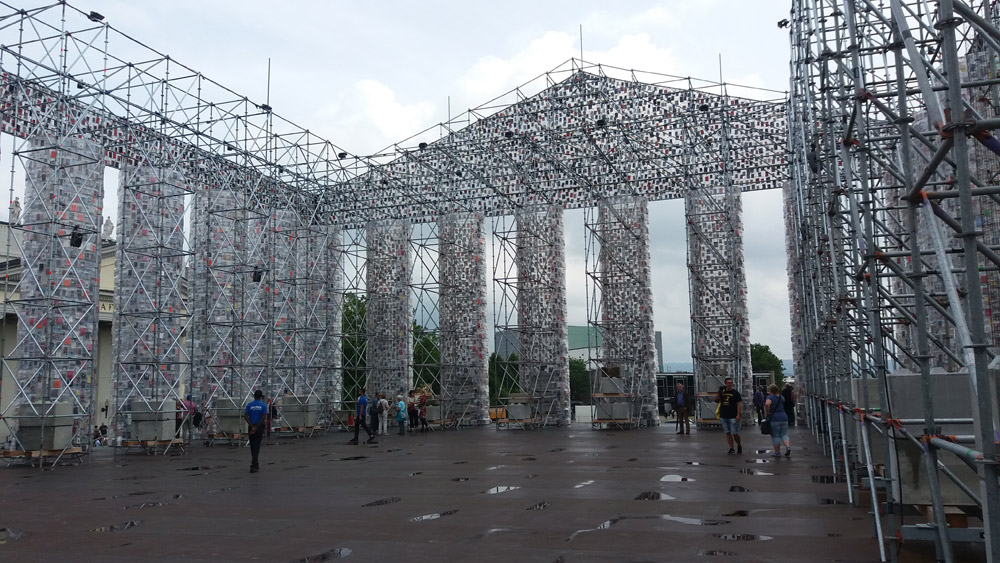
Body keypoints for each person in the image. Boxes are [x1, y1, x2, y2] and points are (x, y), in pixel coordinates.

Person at [716, 377, 743, 455]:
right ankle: (731, 448)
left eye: (731, 383)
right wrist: (719, 392)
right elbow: (715, 399)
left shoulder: (735, 393)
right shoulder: (722, 392)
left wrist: (738, 414)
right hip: (724, 415)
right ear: (725, 384)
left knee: (735, 433)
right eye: (728, 383)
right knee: (727, 432)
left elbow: (739, 404)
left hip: (733, 415)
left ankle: (739, 444)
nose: (730, 384)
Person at [243, 390, 268, 473]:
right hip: (259, 427)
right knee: (257, 446)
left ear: (254, 396)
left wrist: (252, 426)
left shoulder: (249, 405)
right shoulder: (263, 405)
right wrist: (256, 427)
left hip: (251, 426)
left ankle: (255, 464)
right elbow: (263, 417)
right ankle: (254, 465)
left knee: (253, 446)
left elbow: (245, 416)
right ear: (261, 397)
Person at [765, 384, 791, 457]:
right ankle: (788, 447)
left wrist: (767, 412)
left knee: (775, 435)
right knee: (784, 434)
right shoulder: (781, 397)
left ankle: (777, 452)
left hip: (774, 418)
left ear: (770, 390)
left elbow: (767, 404)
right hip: (784, 417)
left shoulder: (770, 397)